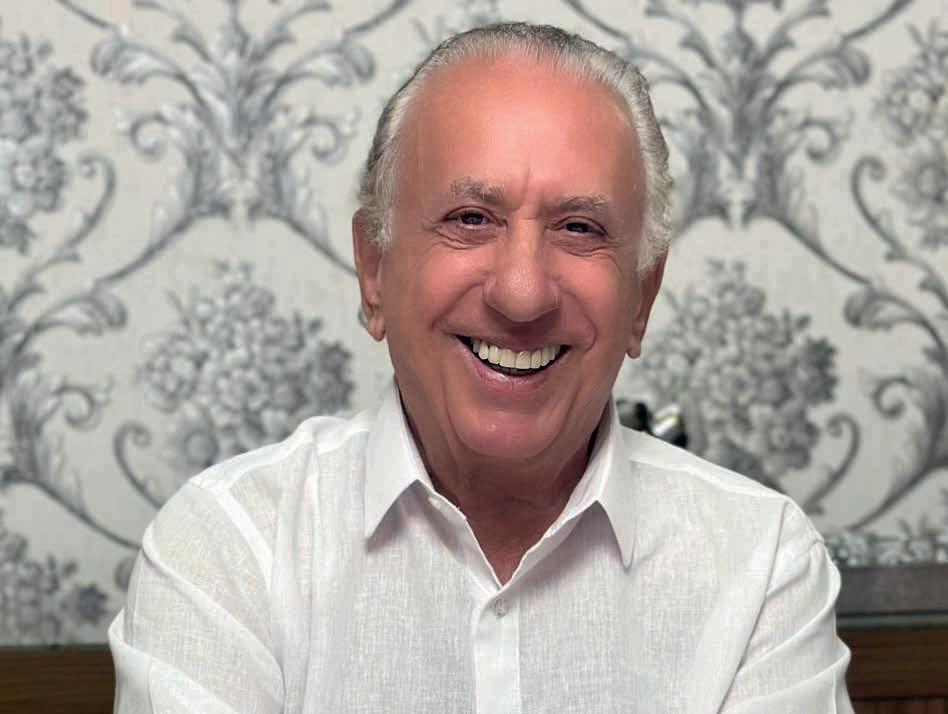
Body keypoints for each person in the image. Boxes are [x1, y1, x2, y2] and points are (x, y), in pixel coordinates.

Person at [109, 22, 854, 713]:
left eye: (579, 228)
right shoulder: (229, 548)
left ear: (642, 298)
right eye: (470, 219)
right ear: (374, 269)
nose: (522, 293)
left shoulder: (760, 564)